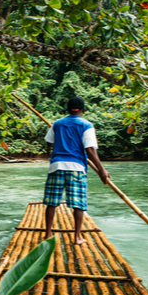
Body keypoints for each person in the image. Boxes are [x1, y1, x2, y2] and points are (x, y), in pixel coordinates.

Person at [43, 96, 110, 245]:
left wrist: (60, 143)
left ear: (67, 110)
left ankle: (48, 234)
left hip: (57, 166)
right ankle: (77, 237)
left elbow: (49, 143)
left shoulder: (57, 124)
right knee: (78, 203)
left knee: (52, 202)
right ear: (83, 110)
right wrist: (102, 170)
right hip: (76, 168)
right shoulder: (86, 125)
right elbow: (90, 150)